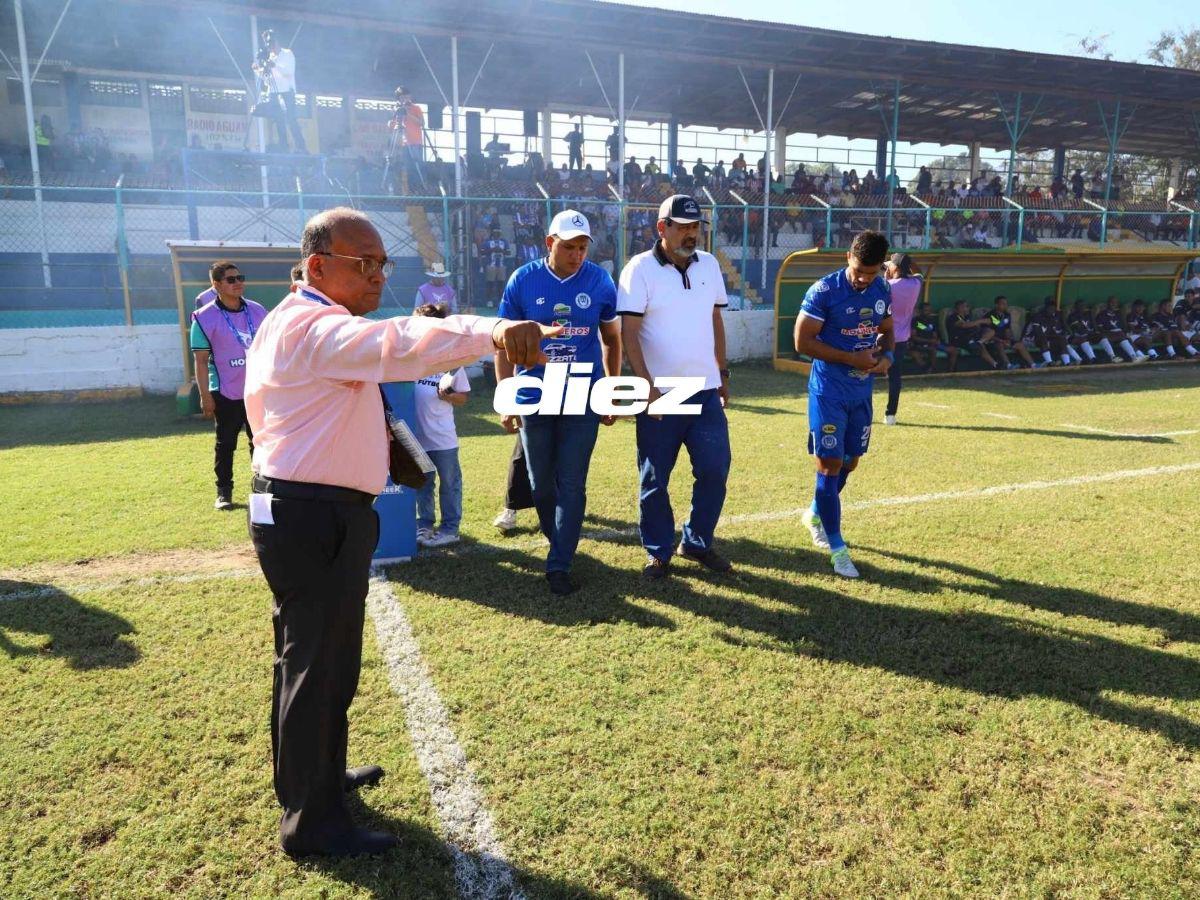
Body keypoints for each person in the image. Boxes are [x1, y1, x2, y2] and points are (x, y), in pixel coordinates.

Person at [244, 207, 553, 856]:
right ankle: (313, 823)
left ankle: (313, 781)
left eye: (383, 263)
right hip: (315, 515)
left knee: (310, 661)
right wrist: (494, 331)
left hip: (303, 511)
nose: (379, 275)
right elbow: (399, 344)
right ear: (318, 266)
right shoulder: (314, 326)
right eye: (365, 263)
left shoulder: (292, 318)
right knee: (319, 666)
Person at [496, 209, 621, 595]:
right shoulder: (523, 279)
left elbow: (611, 339)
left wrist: (610, 390)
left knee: (571, 483)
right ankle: (559, 543)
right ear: (550, 243)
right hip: (535, 394)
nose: (577, 255)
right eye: (569, 247)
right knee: (541, 486)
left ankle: (559, 564)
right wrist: (506, 397)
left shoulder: (600, 281)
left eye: (583, 247)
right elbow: (502, 343)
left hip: (583, 394)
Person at [618, 194, 733, 580]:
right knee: (655, 478)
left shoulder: (710, 265)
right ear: (661, 227)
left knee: (715, 469)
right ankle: (658, 551)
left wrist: (722, 372)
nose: (690, 234)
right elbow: (629, 332)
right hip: (662, 394)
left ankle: (696, 543)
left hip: (704, 390)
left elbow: (715, 321)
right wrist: (645, 385)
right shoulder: (639, 269)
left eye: (695, 227)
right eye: (682, 227)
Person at [793, 231, 893, 578]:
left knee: (850, 462)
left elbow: (887, 330)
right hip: (828, 392)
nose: (864, 278)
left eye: (871, 273)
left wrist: (887, 357)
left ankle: (814, 513)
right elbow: (802, 342)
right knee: (829, 465)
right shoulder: (824, 291)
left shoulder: (882, 289)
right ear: (848, 256)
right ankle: (838, 549)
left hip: (861, 393)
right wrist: (852, 358)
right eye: (859, 270)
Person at [190, 261, 268, 510]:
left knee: (261, 442)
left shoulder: (257, 310)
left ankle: (262, 490)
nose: (238, 283)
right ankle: (224, 493)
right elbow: (200, 361)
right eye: (231, 279)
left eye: (240, 278)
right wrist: (205, 395)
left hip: (258, 391)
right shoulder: (204, 318)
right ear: (216, 285)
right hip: (225, 392)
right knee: (225, 444)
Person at [411, 304, 471, 548]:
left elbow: (463, 397)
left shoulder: (451, 361)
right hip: (415, 439)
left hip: (443, 438)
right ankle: (424, 524)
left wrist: (449, 396)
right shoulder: (410, 359)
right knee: (422, 485)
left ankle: (450, 529)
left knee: (449, 484)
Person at [882, 252, 921, 424]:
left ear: (896, 267)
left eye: (890, 264)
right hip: (901, 340)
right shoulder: (915, 284)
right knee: (895, 377)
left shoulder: (886, 285)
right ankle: (890, 415)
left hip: (881, 337)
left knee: (865, 373)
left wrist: (886, 278)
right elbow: (919, 273)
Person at [255, 30, 306, 153]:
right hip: (273, 92)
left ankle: (301, 146)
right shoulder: (270, 58)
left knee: (291, 119)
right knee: (278, 120)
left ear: (276, 42)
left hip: (287, 91)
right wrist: (257, 70)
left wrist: (275, 65)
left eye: (270, 43)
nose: (269, 47)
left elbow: (289, 72)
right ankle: (283, 146)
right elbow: (268, 79)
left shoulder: (287, 54)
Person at [982, 296, 1036, 369]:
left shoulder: (1007, 315)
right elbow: (986, 335)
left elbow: (1007, 329)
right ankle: (1009, 365)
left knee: (1020, 344)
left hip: (1004, 340)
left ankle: (1033, 365)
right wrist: (1001, 340)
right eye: (1003, 304)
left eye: (1006, 304)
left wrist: (1009, 338)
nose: (1005, 305)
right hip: (993, 341)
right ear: (996, 305)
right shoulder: (989, 316)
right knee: (999, 345)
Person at [1095, 296, 1145, 362]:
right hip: (1108, 334)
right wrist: (1112, 332)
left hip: (1119, 335)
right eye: (1112, 302)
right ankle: (1113, 357)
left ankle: (1134, 357)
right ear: (1108, 303)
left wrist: (1123, 332)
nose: (1114, 304)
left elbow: (1123, 328)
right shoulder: (1102, 314)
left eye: (1115, 303)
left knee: (1125, 337)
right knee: (1121, 335)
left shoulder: (1117, 314)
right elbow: (1100, 329)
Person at [946, 300, 992, 370]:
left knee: (990, 332)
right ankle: (994, 364)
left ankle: (981, 342)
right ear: (960, 308)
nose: (968, 308)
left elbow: (974, 327)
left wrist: (980, 326)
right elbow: (964, 325)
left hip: (972, 337)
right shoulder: (953, 317)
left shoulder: (967, 317)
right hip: (959, 340)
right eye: (966, 306)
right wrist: (981, 321)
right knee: (980, 347)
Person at [907, 302, 948, 373]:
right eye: (925, 310)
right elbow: (914, 337)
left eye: (929, 310)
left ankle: (932, 370)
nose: (928, 312)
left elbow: (934, 335)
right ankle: (927, 369)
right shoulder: (916, 321)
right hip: (918, 344)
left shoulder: (932, 321)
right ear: (920, 311)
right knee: (917, 354)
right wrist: (929, 341)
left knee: (935, 350)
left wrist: (936, 340)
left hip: (931, 344)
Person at [1066, 299, 1109, 364]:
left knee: (1102, 336)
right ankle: (1092, 358)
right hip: (1079, 336)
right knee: (1083, 339)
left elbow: (1094, 325)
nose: (1082, 307)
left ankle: (1112, 356)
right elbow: (1079, 327)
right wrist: (1089, 332)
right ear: (1076, 307)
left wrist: (1095, 331)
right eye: (1080, 305)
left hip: (1089, 335)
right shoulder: (1073, 315)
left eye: (1083, 305)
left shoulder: (1088, 314)